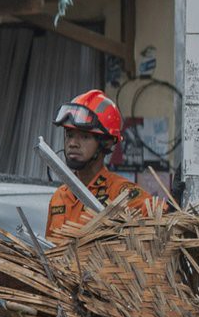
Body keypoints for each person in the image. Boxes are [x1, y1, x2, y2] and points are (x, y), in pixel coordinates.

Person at [46, 89, 143, 237]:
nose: (72, 143)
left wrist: (173, 205)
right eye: (70, 135)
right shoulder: (59, 197)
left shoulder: (121, 194)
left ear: (107, 143)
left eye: (84, 137)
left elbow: (162, 221)